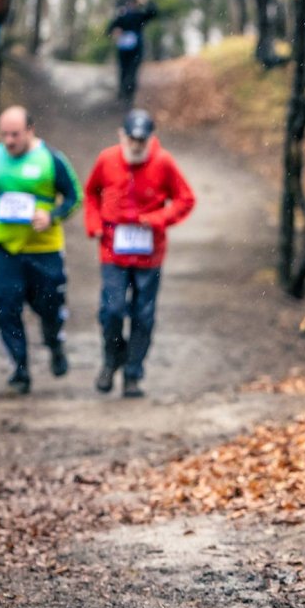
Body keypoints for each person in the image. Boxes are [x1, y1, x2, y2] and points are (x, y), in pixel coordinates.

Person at [0, 106, 82, 395]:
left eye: (15, 134)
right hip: (5, 249)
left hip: (44, 250)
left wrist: (51, 216)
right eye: (4, 134)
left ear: (30, 130)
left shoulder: (51, 159)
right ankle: (20, 368)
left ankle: (54, 344)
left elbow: (75, 198)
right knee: (6, 305)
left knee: (49, 307)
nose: (9, 141)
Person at [83, 109, 195, 398]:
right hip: (112, 250)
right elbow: (91, 193)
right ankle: (112, 358)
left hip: (149, 253)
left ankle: (133, 374)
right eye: (131, 139)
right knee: (112, 310)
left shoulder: (163, 162)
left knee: (144, 316)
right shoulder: (107, 159)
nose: (136, 146)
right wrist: (94, 224)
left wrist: (158, 219)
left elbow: (185, 199)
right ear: (122, 135)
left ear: (151, 139)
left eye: (142, 141)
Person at [107, 0, 157, 105]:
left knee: (132, 71)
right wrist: (115, 31)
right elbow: (111, 28)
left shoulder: (139, 15)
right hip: (124, 49)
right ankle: (123, 94)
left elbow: (153, 13)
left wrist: (147, 1)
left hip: (136, 49)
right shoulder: (122, 14)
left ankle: (129, 95)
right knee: (124, 71)